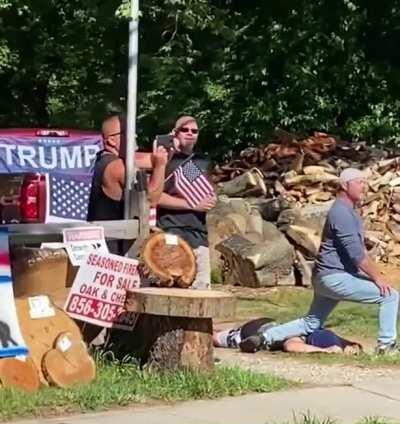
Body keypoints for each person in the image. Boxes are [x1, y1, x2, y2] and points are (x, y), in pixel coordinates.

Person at [241, 168, 399, 355]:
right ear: (344, 186)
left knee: (311, 322)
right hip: (335, 277)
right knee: (389, 295)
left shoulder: (349, 212)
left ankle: (264, 337)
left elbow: (358, 251)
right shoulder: (341, 213)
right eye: (359, 182)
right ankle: (386, 345)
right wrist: (379, 279)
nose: (364, 186)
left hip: (326, 277)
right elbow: (357, 255)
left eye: (365, 182)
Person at [87, 114, 168, 253]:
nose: (134, 136)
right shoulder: (117, 166)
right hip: (113, 249)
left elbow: (145, 160)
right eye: (128, 133)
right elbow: (150, 200)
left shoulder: (104, 159)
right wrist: (161, 166)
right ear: (112, 140)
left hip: (106, 245)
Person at [156, 116, 217, 289]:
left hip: (198, 235)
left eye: (194, 131)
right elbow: (155, 197)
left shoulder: (200, 161)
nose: (190, 133)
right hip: (171, 232)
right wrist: (191, 205)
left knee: (202, 291)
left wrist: (210, 199)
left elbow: (205, 193)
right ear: (175, 133)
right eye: (185, 129)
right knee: (170, 290)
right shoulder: (164, 160)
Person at [213, 318, 362, 355]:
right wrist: (325, 351)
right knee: (213, 339)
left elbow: (356, 346)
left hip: (268, 325)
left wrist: (354, 348)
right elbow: (290, 346)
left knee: (219, 332)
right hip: (253, 332)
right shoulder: (302, 337)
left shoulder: (334, 338)